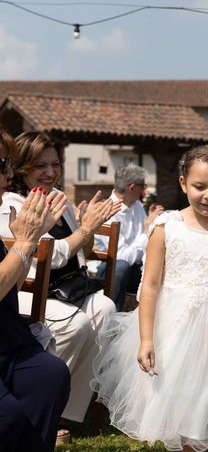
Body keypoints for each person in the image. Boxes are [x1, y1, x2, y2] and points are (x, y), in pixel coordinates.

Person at [91, 146, 208, 452]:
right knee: (175, 399)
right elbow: (150, 286)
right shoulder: (167, 227)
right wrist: (146, 339)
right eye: (199, 186)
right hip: (172, 332)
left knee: (204, 405)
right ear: (182, 183)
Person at [0, 131, 119, 437]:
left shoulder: (58, 201)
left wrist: (86, 225)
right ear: (22, 168)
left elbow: (79, 251)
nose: (50, 173)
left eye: (55, 164)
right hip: (29, 289)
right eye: (41, 166)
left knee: (106, 309)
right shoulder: (12, 203)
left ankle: (70, 411)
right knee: (76, 324)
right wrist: (86, 229)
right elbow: (49, 255)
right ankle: (50, 410)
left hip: (66, 289)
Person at [0, 129, 70, 452]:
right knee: (9, 416)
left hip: (8, 341)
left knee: (50, 376)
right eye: (3, 166)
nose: (9, 176)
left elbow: (13, 282)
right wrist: (27, 243)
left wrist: (26, 246)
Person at [98, 164, 164, 311]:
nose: (144, 190)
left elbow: (144, 244)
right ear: (132, 187)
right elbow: (121, 258)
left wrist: (154, 223)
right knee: (121, 268)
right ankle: (113, 320)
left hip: (135, 267)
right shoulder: (107, 211)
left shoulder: (137, 206)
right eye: (143, 186)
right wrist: (147, 232)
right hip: (111, 271)